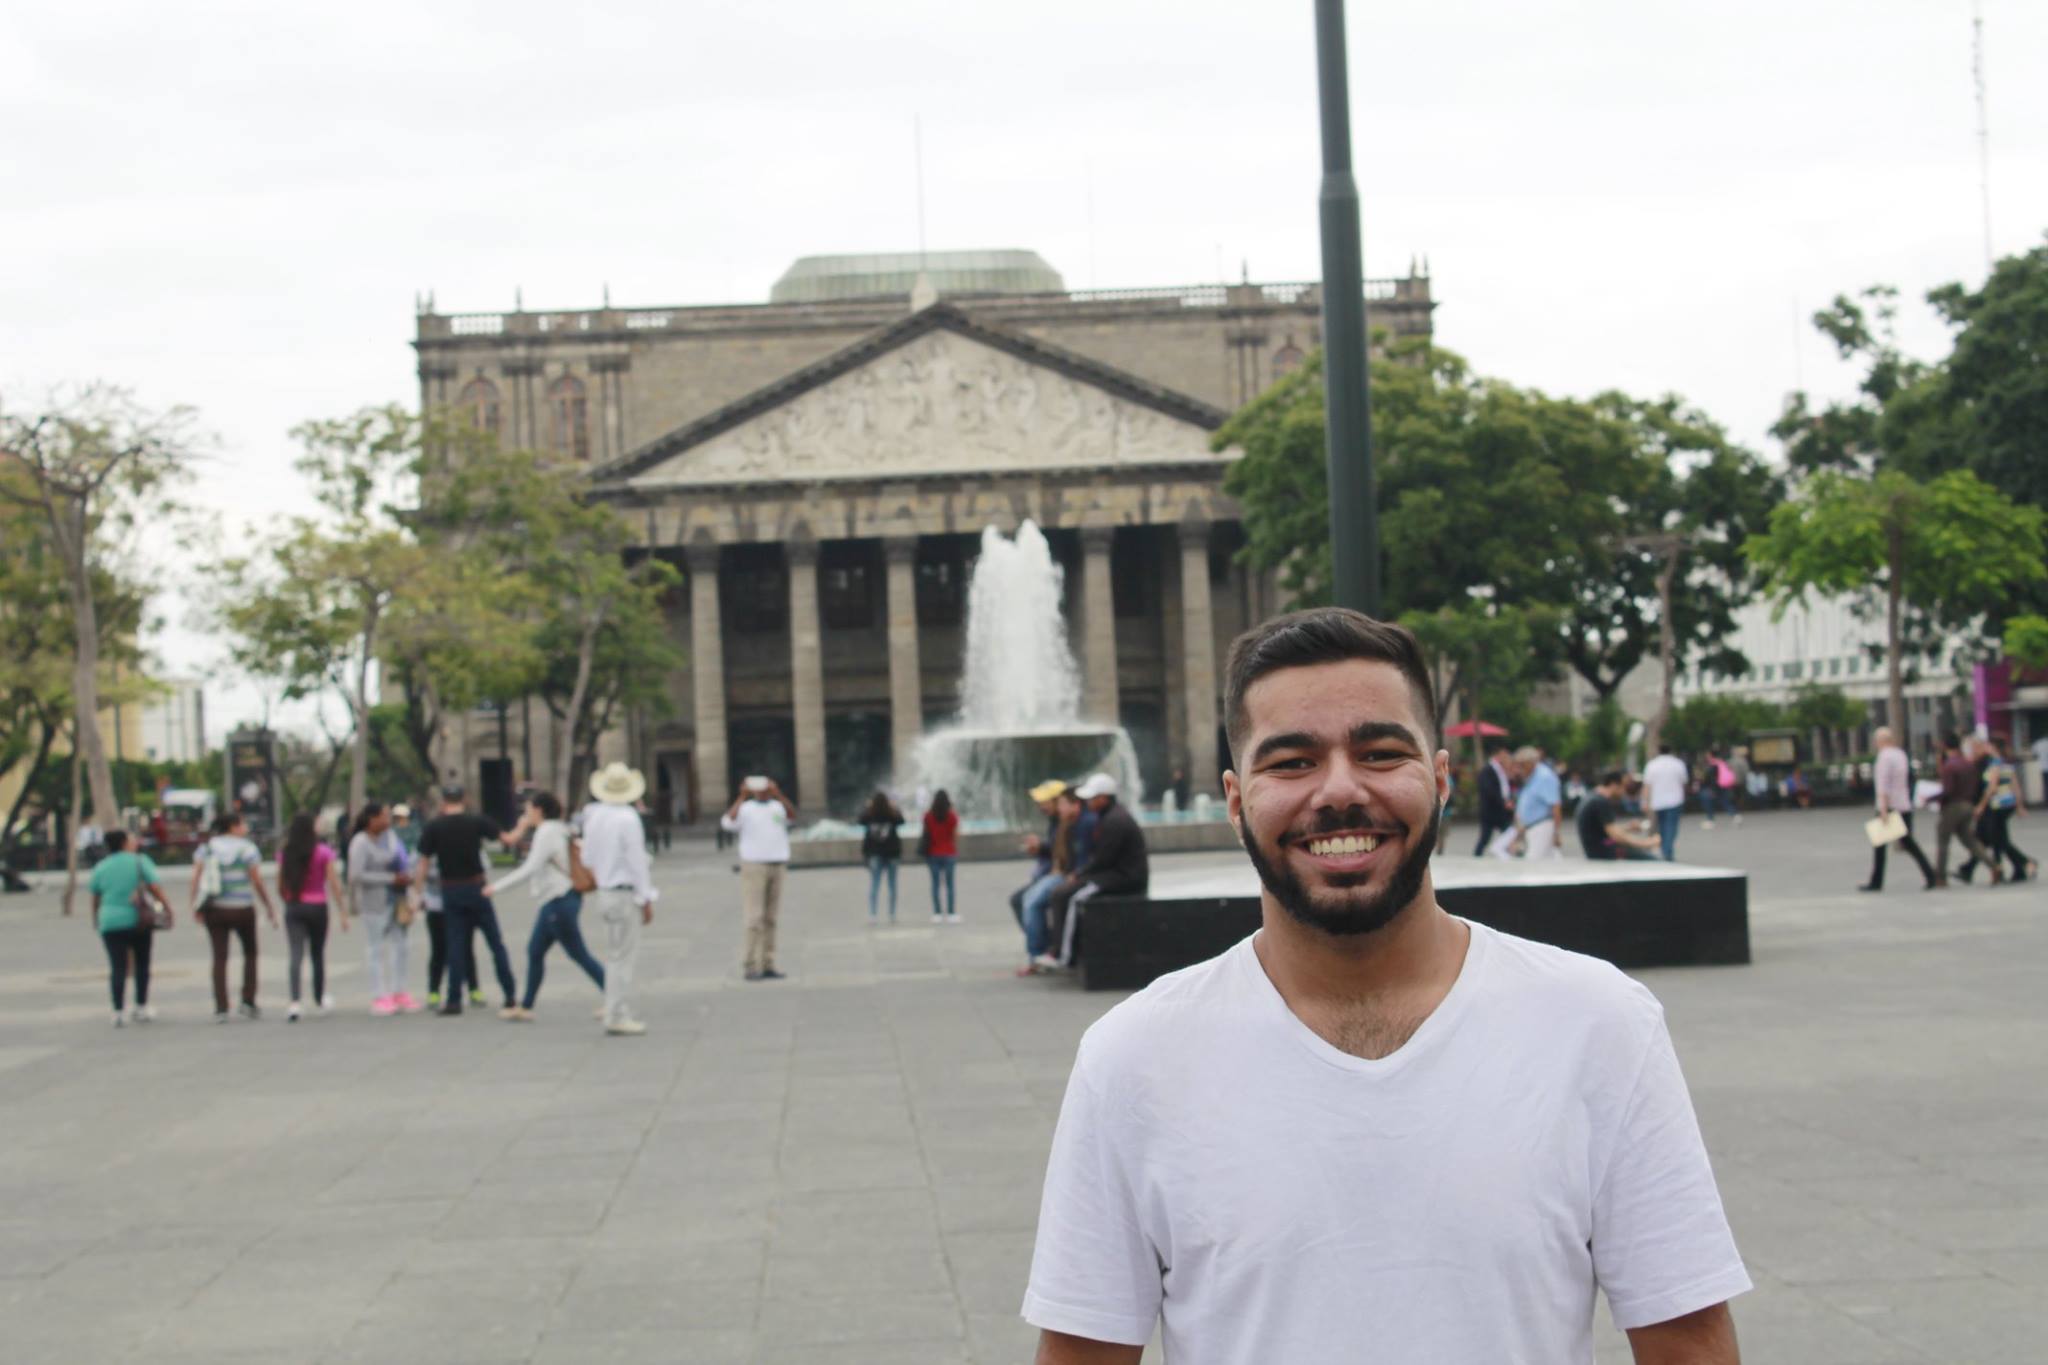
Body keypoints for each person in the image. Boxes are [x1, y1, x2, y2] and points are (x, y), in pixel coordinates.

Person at [1023, 607, 1748, 1363]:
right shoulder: (1132, 1058)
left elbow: (1688, 1345)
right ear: (1237, 802)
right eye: (1292, 761)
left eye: (1378, 751)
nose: (1339, 790)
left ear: (1438, 779)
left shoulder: (1601, 1024)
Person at [489, 791, 606, 1020]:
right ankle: (526, 1005)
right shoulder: (561, 829)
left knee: (578, 953)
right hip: (560, 899)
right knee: (535, 951)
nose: (525, 813)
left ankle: (614, 997)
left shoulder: (546, 832)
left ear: (538, 810)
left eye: (528, 809)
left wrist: (496, 887)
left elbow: (530, 868)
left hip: (558, 900)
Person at [417, 784, 522, 1016]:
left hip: (450, 889)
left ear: (444, 801)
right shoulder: (477, 822)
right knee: (495, 942)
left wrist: (417, 894)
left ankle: (454, 999)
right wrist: (525, 822)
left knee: (456, 944)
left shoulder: (434, 827)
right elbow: (508, 839)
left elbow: (423, 863)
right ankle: (510, 994)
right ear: (463, 799)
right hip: (476, 886)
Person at [578, 766, 658, 1033]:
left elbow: (587, 858)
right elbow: (636, 861)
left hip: (605, 891)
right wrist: (646, 896)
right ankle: (617, 1013)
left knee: (614, 956)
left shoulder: (595, 817)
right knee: (624, 957)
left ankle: (613, 1009)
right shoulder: (628, 818)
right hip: (623, 892)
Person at [1044, 773, 1149, 968]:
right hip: (1114, 875)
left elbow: (1103, 859)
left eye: (1091, 798)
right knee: (1063, 893)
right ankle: (1060, 950)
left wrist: (1079, 874)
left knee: (1073, 897)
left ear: (1103, 798)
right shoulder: (1109, 816)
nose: (1087, 802)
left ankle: (1064, 955)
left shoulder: (1114, 821)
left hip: (1124, 879)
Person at [188, 812, 277, 1022]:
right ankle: (248, 1000)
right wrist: (268, 905)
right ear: (234, 826)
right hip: (243, 907)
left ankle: (221, 1006)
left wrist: (195, 905)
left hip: (215, 908)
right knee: (250, 953)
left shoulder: (207, 848)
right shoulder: (247, 848)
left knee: (219, 957)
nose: (245, 827)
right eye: (243, 823)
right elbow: (256, 880)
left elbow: (196, 878)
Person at [89, 829, 173, 1026]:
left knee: (117, 966)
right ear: (125, 843)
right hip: (138, 920)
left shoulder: (101, 866)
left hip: (110, 920)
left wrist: (96, 917)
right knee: (142, 963)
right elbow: (155, 887)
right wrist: (167, 908)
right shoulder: (139, 861)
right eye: (131, 839)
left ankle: (118, 1011)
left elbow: (95, 896)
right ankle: (141, 1006)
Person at [348, 803, 419, 1015]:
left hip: (397, 898)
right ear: (371, 820)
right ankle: (379, 995)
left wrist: (407, 876)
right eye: (383, 817)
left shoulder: (390, 837)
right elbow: (355, 875)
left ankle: (399, 991)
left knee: (402, 945)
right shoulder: (360, 842)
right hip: (375, 901)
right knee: (375, 947)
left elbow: (401, 858)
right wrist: (389, 878)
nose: (388, 821)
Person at [722, 775, 793, 981]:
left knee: (771, 918)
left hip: (777, 863)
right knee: (754, 917)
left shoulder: (777, 807)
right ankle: (750, 964)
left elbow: (791, 816)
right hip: (754, 865)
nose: (762, 791)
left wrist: (778, 795)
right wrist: (741, 797)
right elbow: (728, 822)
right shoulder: (746, 808)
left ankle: (768, 962)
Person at [277, 811, 344, 1021]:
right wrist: (342, 909)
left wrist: (287, 899)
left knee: (296, 954)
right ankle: (319, 997)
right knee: (317, 953)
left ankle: (295, 1001)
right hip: (318, 906)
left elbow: (281, 882)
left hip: (294, 905)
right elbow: (333, 882)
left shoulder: (285, 852)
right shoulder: (323, 852)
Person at [1859, 727, 1938, 892]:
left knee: (1881, 845)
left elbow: (1883, 785)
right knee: (1908, 843)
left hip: (1889, 806)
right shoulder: (1900, 754)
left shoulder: (1884, 757)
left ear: (1879, 741)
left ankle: (1876, 881)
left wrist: (1883, 809)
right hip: (1903, 804)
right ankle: (1930, 874)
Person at [1011, 780, 1073, 974]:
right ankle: (1041, 946)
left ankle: (1038, 954)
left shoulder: (1068, 820)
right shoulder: (1056, 821)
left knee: (1030, 901)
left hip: (1065, 874)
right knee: (1018, 899)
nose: (1041, 806)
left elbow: (1068, 852)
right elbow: (1056, 849)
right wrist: (1041, 847)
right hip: (1054, 872)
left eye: (1045, 802)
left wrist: (1042, 848)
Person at [1962, 736, 2035, 884]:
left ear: (1993, 748)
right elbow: (2015, 786)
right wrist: (2019, 805)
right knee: (1997, 837)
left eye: (1988, 746)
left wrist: (1981, 806)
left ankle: (2017, 864)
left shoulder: (1995, 764)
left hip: (1997, 805)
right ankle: (2012, 867)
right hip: (2008, 804)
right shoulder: (2006, 763)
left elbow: (1991, 788)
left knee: (1997, 838)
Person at [1933, 732, 2002, 886]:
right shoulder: (1968, 763)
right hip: (1968, 804)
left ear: (1944, 746)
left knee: (1943, 841)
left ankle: (1940, 877)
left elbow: (1948, 790)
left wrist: (1931, 798)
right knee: (1970, 840)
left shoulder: (1950, 766)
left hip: (1953, 806)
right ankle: (1994, 866)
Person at [1576, 770, 1662, 860]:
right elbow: (1616, 836)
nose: (1625, 792)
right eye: (1624, 787)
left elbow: (1605, 830)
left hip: (1597, 849)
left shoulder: (1593, 796)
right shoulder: (1600, 802)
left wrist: (1629, 827)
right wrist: (1647, 843)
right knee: (1652, 859)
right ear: (1614, 785)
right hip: (1603, 851)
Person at [1508, 745, 1564, 859]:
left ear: (1530, 763)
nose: (1519, 769)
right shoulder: (1531, 777)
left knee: (1533, 864)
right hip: (1531, 828)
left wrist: (1556, 833)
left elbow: (1555, 806)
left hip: (1541, 826)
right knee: (1549, 862)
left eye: (1521, 765)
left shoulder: (1544, 777)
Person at [858, 790, 904, 923]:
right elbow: (902, 820)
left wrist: (868, 806)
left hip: (875, 854)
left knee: (874, 884)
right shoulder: (892, 814)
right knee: (892, 885)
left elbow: (860, 820)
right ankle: (892, 913)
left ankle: (873, 914)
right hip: (892, 854)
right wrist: (894, 806)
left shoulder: (870, 814)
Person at [1642, 745, 1690, 861]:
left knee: (1662, 827)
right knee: (1671, 827)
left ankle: (1665, 850)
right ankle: (1667, 851)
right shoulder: (1678, 764)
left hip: (1658, 801)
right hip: (1675, 800)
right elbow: (1684, 782)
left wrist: (1645, 802)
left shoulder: (1652, 765)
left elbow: (1647, 786)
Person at [922, 789, 960, 923]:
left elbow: (926, 834)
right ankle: (951, 913)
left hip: (933, 853)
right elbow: (955, 836)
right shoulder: (952, 816)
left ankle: (937, 913)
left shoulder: (928, 816)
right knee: (950, 885)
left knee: (935, 884)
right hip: (949, 853)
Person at [1473, 740, 1515, 857]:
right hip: (1491, 810)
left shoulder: (1500, 770)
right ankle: (1477, 855)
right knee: (1485, 837)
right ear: (1498, 754)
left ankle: (1508, 853)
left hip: (1500, 809)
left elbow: (1504, 787)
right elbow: (1490, 791)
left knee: (1508, 832)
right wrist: (1504, 802)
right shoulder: (1487, 770)